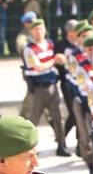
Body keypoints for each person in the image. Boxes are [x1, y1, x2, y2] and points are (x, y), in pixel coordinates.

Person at [22, 19, 70, 157]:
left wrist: (59, 59)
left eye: (41, 28)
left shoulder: (49, 44)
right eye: (35, 29)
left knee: (59, 117)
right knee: (33, 119)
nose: (39, 32)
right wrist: (54, 60)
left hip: (52, 85)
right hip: (38, 88)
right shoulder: (29, 49)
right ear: (30, 31)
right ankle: (28, 148)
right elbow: (37, 67)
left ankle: (61, 144)